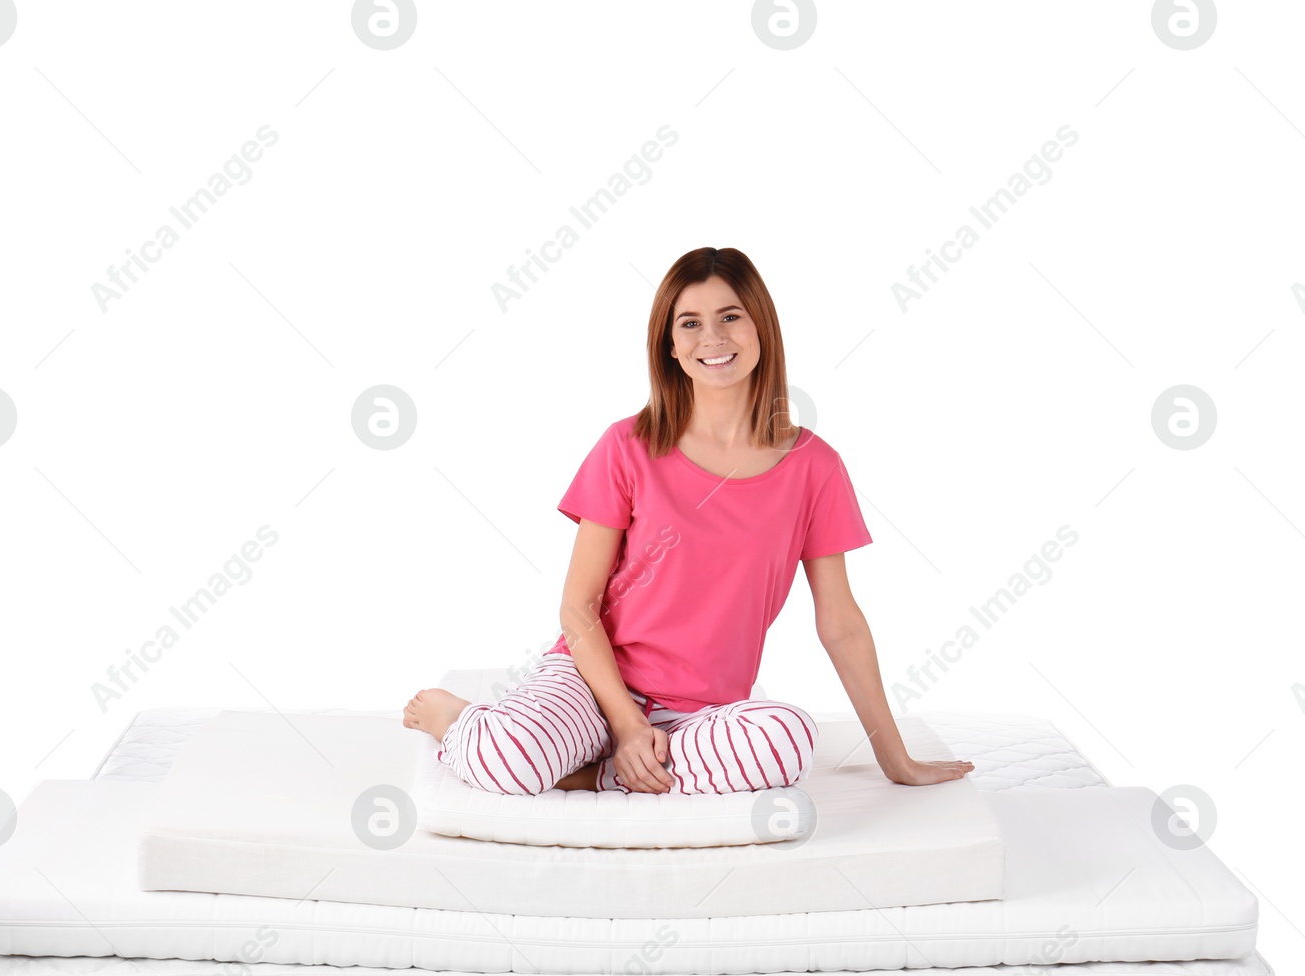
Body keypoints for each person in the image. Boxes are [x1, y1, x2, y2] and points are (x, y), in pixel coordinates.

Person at [403, 246, 974, 795]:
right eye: (690, 324)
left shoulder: (814, 468)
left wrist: (895, 759)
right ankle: (461, 720)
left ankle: (594, 774)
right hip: (591, 681)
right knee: (513, 759)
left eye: (730, 316)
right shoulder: (627, 445)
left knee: (787, 742)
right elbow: (578, 606)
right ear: (670, 346)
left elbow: (841, 624)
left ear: (761, 330)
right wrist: (625, 724)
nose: (713, 338)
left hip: (701, 712)